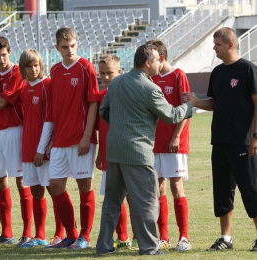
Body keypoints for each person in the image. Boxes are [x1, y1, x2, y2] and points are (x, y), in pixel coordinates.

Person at [96, 43, 198, 255]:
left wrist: (119, 127)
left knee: (112, 201)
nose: (160, 63)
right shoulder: (151, 88)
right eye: (157, 60)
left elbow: (104, 111)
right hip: (138, 153)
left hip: (114, 150)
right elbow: (171, 115)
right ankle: (150, 247)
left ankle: (104, 246)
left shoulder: (116, 83)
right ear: (147, 62)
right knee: (145, 202)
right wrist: (190, 106)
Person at [184, 27, 257, 251]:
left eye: (217, 44)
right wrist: (197, 102)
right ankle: (226, 239)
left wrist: (255, 135)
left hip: (243, 140)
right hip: (220, 140)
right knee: (223, 190)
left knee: (251, 189)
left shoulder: (248, 69)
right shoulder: (216, 72)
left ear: (230, 45)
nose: (214, 48)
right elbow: (215, 103)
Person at [46, 27, 99, 249]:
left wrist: (87, 136)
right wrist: (49, 140)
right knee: (55, 185)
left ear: (77, 44)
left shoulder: (86, 67)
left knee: (84, 186)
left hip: (81, 139)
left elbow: (93, 101)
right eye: (65, 47)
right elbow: (53, 109)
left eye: (73, 46)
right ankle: (70, 234)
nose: (70, 50)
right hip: (59, 140)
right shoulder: (55, 70)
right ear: (57, 48)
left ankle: (84, 237)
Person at [146, 39, 191, 251]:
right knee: (158, 187)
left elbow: (186, 108)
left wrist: (176, 136)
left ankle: (184, 237)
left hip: (174, 143)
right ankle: (163, 237)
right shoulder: (150, 78)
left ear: (161, 58)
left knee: (176, 186)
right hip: (154, 143)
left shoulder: (178, 75)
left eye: (152, 59)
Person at [17, 49, 65, 247]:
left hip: (42, 150)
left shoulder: (46, 85)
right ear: (23, 68)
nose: (33, 69)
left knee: (53, 189)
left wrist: (41, 148)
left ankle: (60, 233)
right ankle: (39, 236)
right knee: (36, 191)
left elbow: (49, 120)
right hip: (27, 148)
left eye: (36, 65)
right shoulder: (24, 88)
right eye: (29, 66)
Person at [0, 36, 33, 245]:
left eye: (4, 55)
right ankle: (6, 233)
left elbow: (1, 103)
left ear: (9, 52)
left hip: (14, 131)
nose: (1, 60)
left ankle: (27, 232)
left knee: (21, 180)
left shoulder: (17, 72)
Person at [96, 54, 131, 248]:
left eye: (110, 73)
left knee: (133, 196)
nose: (106, 77)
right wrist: (100, 154)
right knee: (113, 196)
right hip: (109, 154)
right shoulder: (101, 97)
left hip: (128, 152)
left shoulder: (128, 93)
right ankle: (123, 236)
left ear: (120, 72)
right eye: (102, 73)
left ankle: (137, 235)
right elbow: (102, 129)